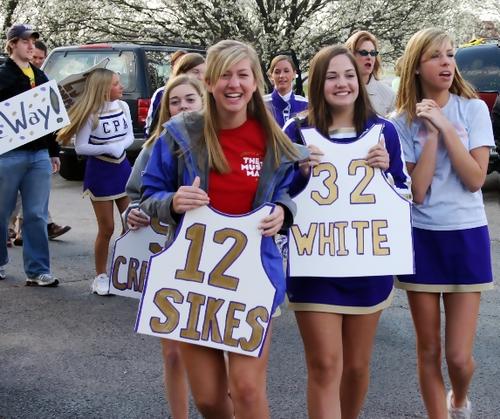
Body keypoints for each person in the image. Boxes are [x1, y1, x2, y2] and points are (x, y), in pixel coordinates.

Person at [140, 39, 306, 419]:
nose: (234, 84)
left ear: (255, 82)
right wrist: (172, 201)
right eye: (225, 75)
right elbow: (148, 194)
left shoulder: (273, 139)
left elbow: (285, 193)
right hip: (192, 280)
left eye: (242, 75)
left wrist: (283, 210)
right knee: (210, 400)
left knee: (246, 389)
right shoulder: (181, 133)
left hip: (253, 277)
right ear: (209, 82)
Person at [283, 45, 409, 419]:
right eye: (332, 76)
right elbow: (275, 196)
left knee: (355, 367)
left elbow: (405, 195)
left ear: (360, 79)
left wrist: (386, 172)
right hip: (314, 265)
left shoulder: (384, 130)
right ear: (317, 84)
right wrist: (300, 174)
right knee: (324, 364)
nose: (342, 83)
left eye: (349, 75)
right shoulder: (297, 131)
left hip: (366, 263)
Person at [391, 28, 494, 419]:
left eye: (450, 55)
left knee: (458, 357)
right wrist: (430, 135)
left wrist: (446, 126)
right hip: (421, 239)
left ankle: (459, 399)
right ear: (417, 67)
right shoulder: (400, 122)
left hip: (467, 236)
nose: (446, 63)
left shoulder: (473, 109)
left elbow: (475, 179)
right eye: (435, 56)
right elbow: (417, 192)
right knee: (429, 350)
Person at [124, 74, 204, 419]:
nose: (182, 107)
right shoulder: (155, 145)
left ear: (204, 102)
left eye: (190, 99)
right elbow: (136, 196)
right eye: (175, 101)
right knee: (173, 353)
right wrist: (132, 213)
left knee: (219, 348)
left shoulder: (221, 144)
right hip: (171, 260)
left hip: (216, 264)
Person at [57, 68, 133, 295]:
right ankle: (101, 275)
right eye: (116, 84)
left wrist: (121, 146)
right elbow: (81, 147)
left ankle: (125, 271)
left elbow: (130, 135)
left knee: (131, 224)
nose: (121, 87)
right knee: (107, 227)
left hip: (123, 168)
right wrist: (107, 148)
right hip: (100, 172)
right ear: (103, 89)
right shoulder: (91, 113)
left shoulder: (123, 106)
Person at [0, 24, 60, 285]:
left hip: (39, 155)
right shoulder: (4, 75)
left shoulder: (40, 76)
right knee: (2, 212)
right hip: (8, 154)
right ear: (12, 44)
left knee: (36, 214)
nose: (31, 46)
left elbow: (50, 117)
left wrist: (53, 151)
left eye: (33, 42)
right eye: (25, 41)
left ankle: (37, 271)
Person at [10, 39, 71, 247]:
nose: (36, 60)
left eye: (40, 58)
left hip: (38, 150)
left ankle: (29, 235)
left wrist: (54, 150)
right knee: (12, 198)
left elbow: (51, 120)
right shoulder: (8, 77)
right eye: (34, 56)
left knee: (34, 200)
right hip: (11, 150)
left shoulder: (43, 79)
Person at [144, 52, 205, 136]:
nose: (201, 77)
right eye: (195, 72)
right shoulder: (162, 93)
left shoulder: (211, 96)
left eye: (190, 100)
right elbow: (152, 129)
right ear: (182, 72)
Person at [345, 30, 395, 117]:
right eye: (363, 53)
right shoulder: (338, 89)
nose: (369, 57)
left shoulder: (389, 95)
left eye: (373, 53)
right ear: (350, 55)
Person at [264, 54, 308, 128]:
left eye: (286, 71)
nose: (282, 75)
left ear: (294, 74)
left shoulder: (305, 104)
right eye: (277, 72)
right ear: (271, 76)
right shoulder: (262, 104)